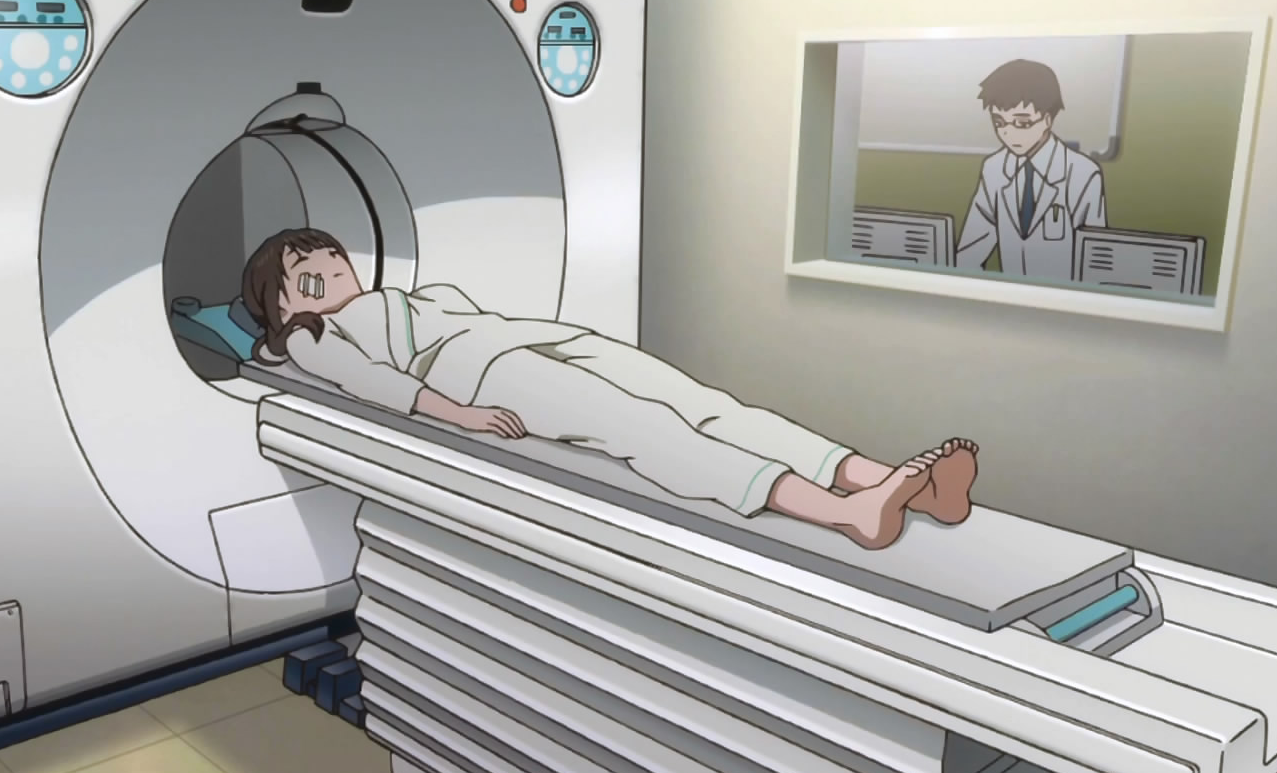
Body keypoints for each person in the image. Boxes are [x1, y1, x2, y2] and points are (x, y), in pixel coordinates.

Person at [241, 228, 979, 550]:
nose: (326, 267)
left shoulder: (411, 294)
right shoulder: (313, 337)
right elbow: (373, 384)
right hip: (486, 375)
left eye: (329, 254)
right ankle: (844, 513)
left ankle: (887, 481)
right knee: (647, 432)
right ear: (282, 306)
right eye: (304, 272)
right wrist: (461, 415)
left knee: (705, 404)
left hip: (530, 339)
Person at [954, 59, 1108, 280]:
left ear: (1047, 120)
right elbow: (970, 250)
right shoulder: (994, 168)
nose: (1007, 133)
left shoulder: (1082, 173)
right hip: (1011, 295)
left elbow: (1093, 260)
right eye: (999, 123)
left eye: (1022, 123)